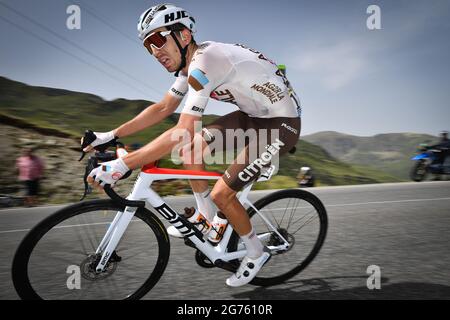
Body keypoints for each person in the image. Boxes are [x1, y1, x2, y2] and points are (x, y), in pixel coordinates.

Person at [83, 3, 302, 287]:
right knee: (190, 150)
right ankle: (206, 217)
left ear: (183, 35)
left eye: (157, 40)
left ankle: (256, 252)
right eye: (148, 46)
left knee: (223, 193)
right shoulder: (189, 68)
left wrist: (124, 164)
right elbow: (163, 108)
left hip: (280, 125)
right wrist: (110, 135)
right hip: (252, 116)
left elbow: (183, 128)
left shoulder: (205, 62)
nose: (154, 51)